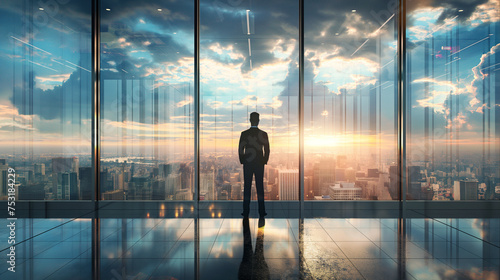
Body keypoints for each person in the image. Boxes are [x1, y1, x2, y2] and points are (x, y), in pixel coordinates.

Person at [238, 112, 269, 218]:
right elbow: (267, 149)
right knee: (260, 187)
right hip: (259, 163)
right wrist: (264, 161)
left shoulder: (244, 134)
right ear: (258, 121)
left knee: (247, 187)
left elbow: (240, 149)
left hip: (248, 163)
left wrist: (243, 161)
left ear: (250, 120)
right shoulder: (263, 134)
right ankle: (262, 211)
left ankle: (246, 211)